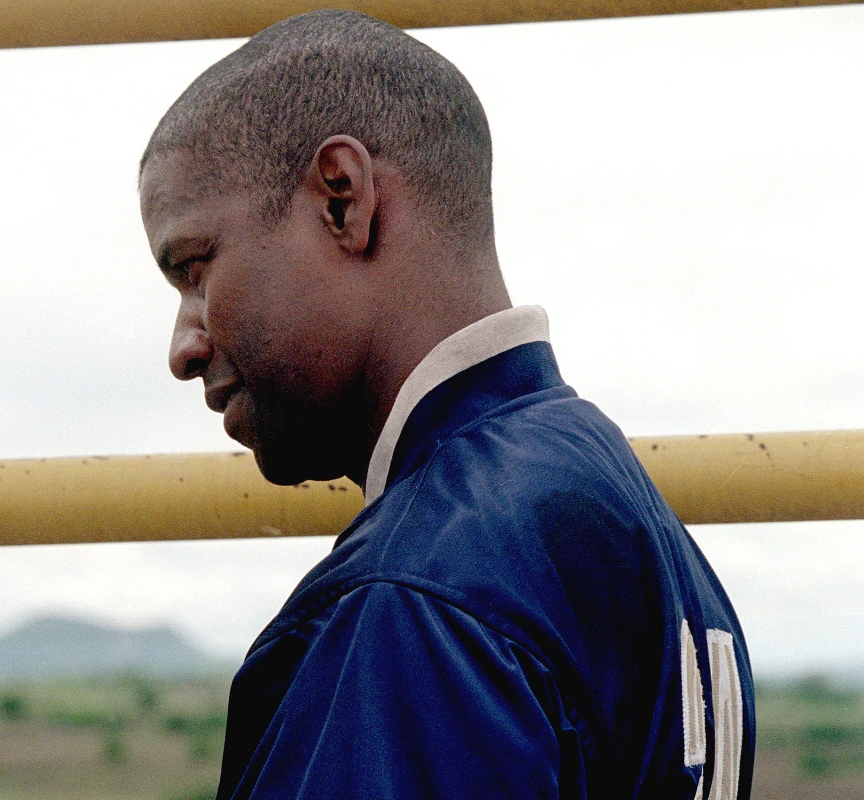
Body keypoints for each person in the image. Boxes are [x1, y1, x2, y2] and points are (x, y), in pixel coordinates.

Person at [138, 11, 752, 800]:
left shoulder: (415, 598)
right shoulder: (621, 511)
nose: (182, 346)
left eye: (194, 267)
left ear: (340, 199)